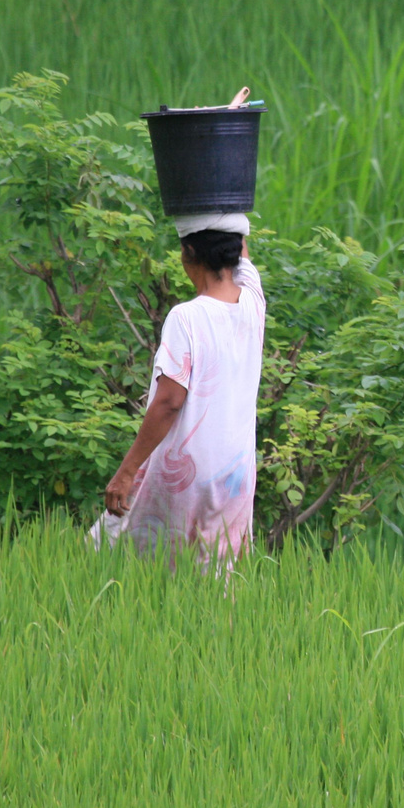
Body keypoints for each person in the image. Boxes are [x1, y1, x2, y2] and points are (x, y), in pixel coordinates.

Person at [91, 212, 266, 571]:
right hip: (235, 474)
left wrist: (127, 472)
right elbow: (243, 252)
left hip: (185, 474)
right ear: (235, 253)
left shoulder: (186, 317)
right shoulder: (253, 302)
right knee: (215, 579)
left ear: (188, 254)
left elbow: (169, 402)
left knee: (117, 556)